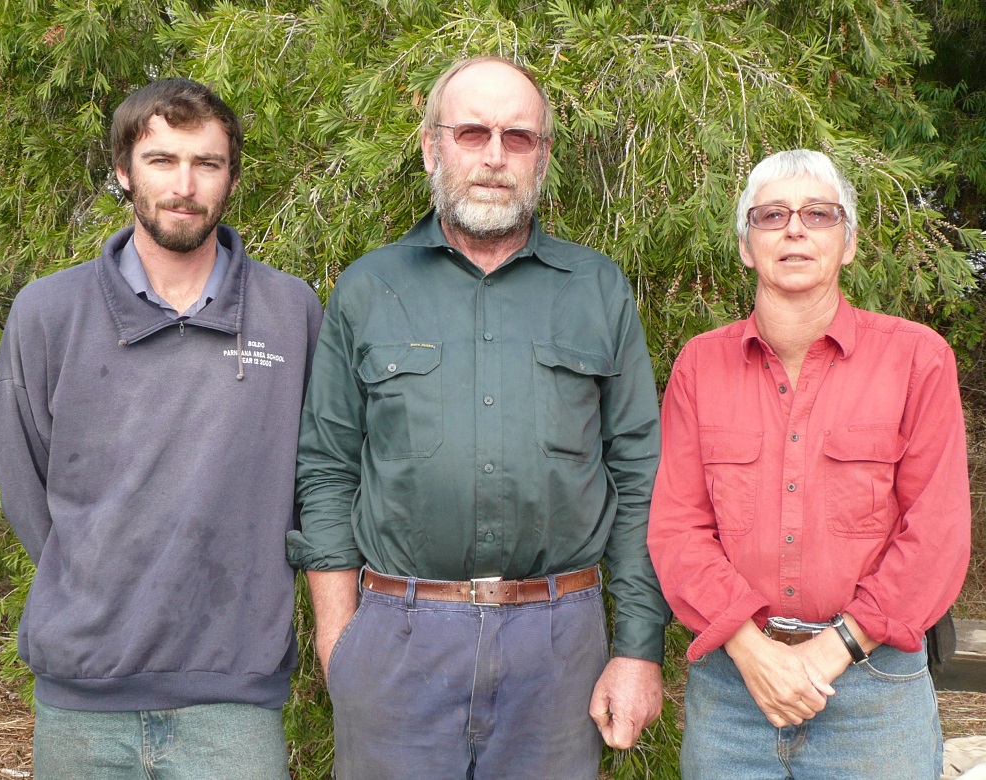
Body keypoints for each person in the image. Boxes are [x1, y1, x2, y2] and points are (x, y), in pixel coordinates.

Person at [288, 56, 670, 779]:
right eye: (472, 133)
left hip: (559, 652)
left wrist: (638, 647)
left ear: (543, 156)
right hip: (399, 644)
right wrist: (340, 640)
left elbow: (639, 477)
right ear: (433, 146)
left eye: (518, 137)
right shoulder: (370, 289)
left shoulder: (597, 289)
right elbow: (327, 470)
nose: (495, 156)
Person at [0, 78, 322, 779]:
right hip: (85, 692)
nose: (184, 185)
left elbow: (317, 481)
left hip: (233, 693)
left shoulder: (290, 312)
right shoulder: (49, 312)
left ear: (231, 177)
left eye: (206, 163)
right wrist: (98, 574)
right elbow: (23, 480)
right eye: (162, 160)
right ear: (122, 171)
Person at [648, 149, 971, 779]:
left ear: (847, 242)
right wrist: (751, 651)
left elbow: (936, 534)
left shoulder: (917, 361)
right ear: (747, 246)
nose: (795, 228)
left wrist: (832, 651)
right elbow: (677, 529)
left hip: (874, 694)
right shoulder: (699, 367)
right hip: (734, 693)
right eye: (771, 215)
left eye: (819, 214)